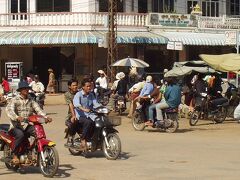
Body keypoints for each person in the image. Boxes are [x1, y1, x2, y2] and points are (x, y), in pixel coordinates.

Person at [5, 81, 52, 164]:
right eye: (24, 88)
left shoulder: (31, 100)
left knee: (38, 132)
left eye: (27, 88)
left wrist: (46, 117)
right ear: (20, 90)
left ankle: (33, 152)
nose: (26, 90)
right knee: (20, 135)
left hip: (27, 125)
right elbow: (9, 110)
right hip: (16, 126)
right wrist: (17, 117)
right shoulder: (14, 100)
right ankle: (15, 155)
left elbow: (38, 110)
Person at [73, 79, 102, 150]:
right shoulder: (78, 94)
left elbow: (96, 104)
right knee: (88, 122)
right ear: (83, 87)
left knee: (99, 121)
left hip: (90, 115)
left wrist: (104, 108)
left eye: (90, 86)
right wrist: (84, 109)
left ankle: (94, 139)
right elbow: (77, 104)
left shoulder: (91, 95)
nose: (89, 88)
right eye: (87, 86)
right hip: (80, 115)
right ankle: (83, 139)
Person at [64, 79, 79, 147]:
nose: (75, 86)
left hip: (82, 112)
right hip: (71, 114)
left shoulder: (80, 92)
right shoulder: (67, 94)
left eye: (76, 85)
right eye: (73, 85)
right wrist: (73, 115)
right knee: (73, 122)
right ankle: (70, 137)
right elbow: (71, 105)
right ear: (69, 86)